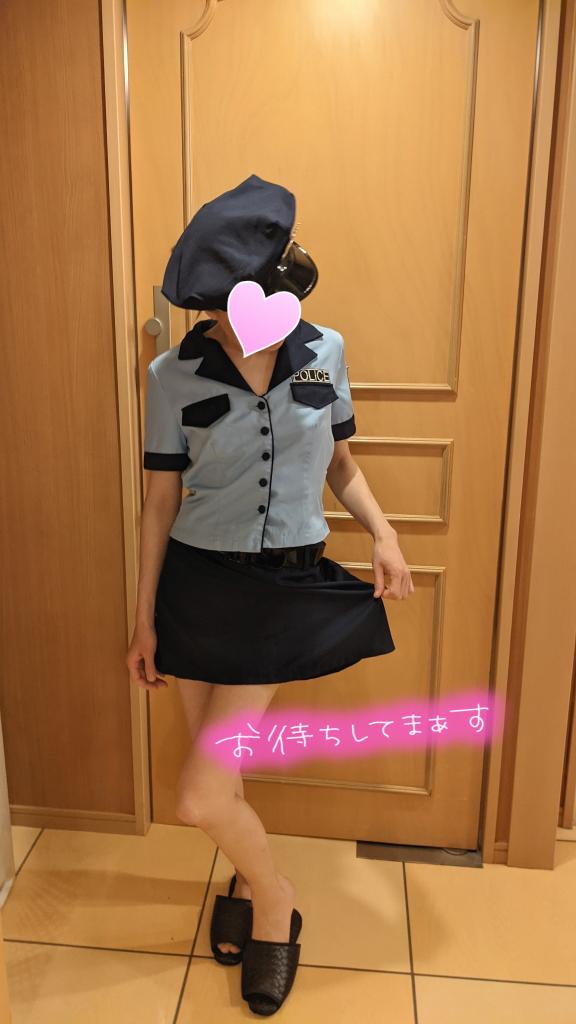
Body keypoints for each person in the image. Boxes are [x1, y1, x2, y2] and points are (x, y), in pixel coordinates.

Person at [126, 174, 414, 1015]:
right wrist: (142, 620)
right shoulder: (171, 374)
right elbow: (159, 503)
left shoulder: (325, 351)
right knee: (221, 779)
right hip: (196, 589)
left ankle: (275, 901)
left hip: (281, 589)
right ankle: (248, 883)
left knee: (197, 796)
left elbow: (341, 463)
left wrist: (384, 532)